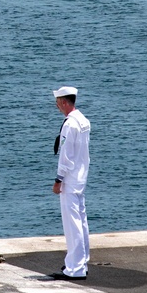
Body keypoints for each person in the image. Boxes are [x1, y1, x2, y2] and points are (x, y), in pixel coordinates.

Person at [51, 84, 91, 279]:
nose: (57, 106)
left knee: (72, 223)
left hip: (71, 178)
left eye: (58, 103)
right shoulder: (83, 121)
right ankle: (82, 262)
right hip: (81, 177)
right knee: (81, 221)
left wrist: (58, 179)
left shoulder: (70, 124)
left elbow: (66, 155)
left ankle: (75, 268)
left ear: (64, 102)